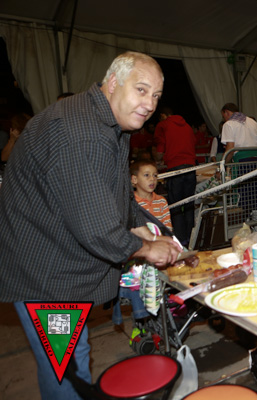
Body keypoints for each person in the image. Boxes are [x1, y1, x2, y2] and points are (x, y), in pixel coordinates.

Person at [0, 51, 181, 399]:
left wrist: (139, 225)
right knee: (67, 372)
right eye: (141, 90)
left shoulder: (106, 121)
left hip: (58, 265)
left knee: (70, 359)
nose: (150, 104)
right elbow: (97, 229)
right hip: (47, 279)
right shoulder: (82, 132)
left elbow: (112, 191)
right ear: (113, 83)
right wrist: (147, 249)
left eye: (156, 96)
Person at [154, 106, 197, 246]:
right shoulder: (188, 126)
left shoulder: (163, 125)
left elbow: (160, 149)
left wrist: (158, 159)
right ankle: (191, 239)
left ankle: (181, 242)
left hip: (175, 169)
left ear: (163, 115)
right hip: (190, 168)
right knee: (189, 205)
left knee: (176, 206)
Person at [131, 160, 172, 230]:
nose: (152, 179)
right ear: (134, 179)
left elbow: (168, 227)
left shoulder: (161, 201)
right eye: (146, 175)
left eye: (155, 175)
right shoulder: (130, 202)